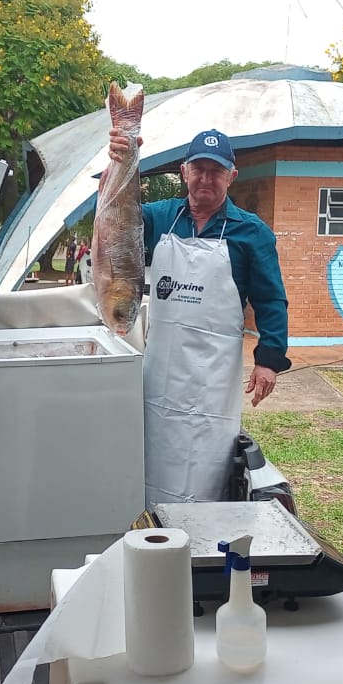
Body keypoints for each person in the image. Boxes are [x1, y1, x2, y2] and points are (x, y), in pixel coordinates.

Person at [108, 127, 290, 507]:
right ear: (184, 171)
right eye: (200, 169)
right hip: (161, 372)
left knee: (206, 465)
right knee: (153, 458)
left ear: (231, 176)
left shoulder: (252, 233)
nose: (207, 179)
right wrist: (121, 163)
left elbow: (271, 300)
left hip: (214, 377)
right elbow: (114, 219)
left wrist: (268, 362)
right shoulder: (159, 219)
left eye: (216, 171)